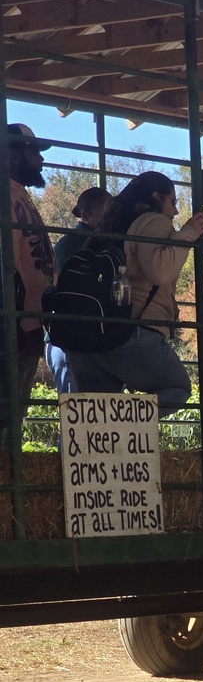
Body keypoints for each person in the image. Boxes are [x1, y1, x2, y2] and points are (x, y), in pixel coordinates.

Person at [65, 172, 203, 410]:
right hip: (135, 330)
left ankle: (113, 435)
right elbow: (159, 271)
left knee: (98, 412)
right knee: (178, 388)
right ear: (156, 197)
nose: (175, 212)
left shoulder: (108, 225)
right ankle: (127, 425)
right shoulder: (154, 221)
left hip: (88, 335)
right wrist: (186, 235)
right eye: (173, 202)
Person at [1, 125, 56, 447]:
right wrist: (18, 321)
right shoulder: (4, 196)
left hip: (28, 322)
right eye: (34, 152)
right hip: (15, 325)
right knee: (6, 415)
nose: (40, 160)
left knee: (14, 413)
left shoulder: (18, 194)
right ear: (13, 154)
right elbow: (6, 266)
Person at [46, 186, 111, 394]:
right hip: (72, 341)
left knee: (79, 411)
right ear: (86, 215)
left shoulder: (69, 243)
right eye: (105, 213)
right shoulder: (82, 244)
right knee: (80, 406)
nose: (109, 218)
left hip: (74, 338)